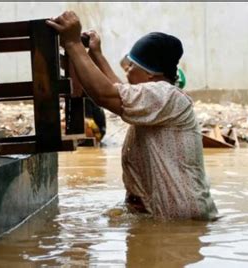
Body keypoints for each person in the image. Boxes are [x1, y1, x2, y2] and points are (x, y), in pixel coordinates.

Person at [47, 11, 217, 220]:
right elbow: (117, 89)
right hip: (166, 214)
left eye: (132, 65)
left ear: (150, 73)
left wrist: (73, 44)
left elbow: (105, 94)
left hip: (177, 216)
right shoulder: (155, 99)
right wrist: (96, 55)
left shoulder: (164, 95)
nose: (127, 69)